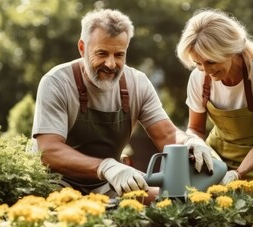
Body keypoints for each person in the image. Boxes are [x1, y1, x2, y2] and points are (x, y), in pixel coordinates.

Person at [31, 8, 214, 203]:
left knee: (171, 204)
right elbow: (48, 151)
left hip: (110, 184)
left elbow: (167, 135)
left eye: (119, 55)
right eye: (102, 53)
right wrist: (106, 167)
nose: (111, 64)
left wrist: (189, 142)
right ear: (82, 48)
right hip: (56, 184)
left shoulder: (137, 83)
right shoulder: (57, 82)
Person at [175, 8, 253, 195]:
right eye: (198, 63)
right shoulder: (198, 78)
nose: (206, 70)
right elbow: (195, 129)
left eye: (211, 61)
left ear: (231, 51)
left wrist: (237, 174)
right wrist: (195, 143)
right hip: (217, 158)